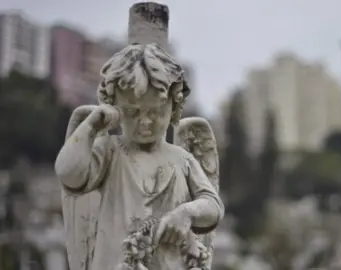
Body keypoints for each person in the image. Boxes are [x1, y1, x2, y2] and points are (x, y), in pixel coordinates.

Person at [55, 42, 224, 270]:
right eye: (132, 112)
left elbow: (213, 207)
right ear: (114, 107)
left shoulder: (182, 159)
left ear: (174, 106)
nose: (145, 122)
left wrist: (187, 213)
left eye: (156, 112)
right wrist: (92, 124)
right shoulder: (109, 151)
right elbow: (69, 174)